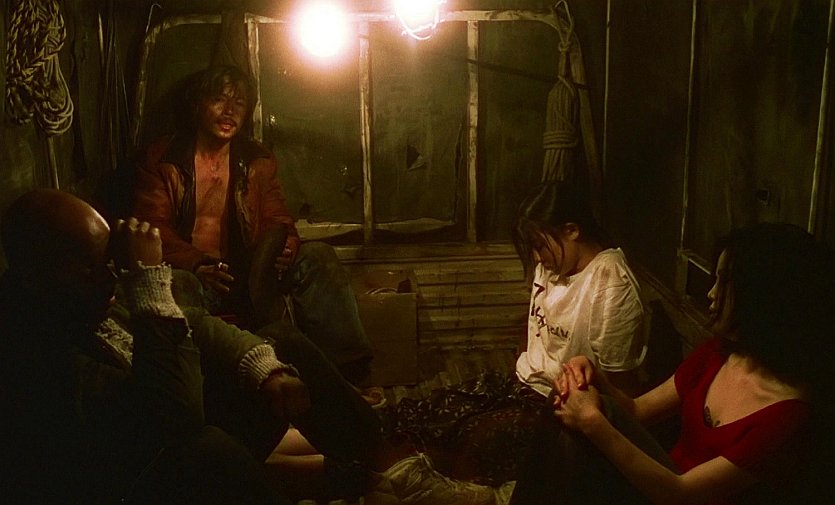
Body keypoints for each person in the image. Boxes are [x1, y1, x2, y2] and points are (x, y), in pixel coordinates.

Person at [0, 188, 505, 505]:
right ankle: (355, 480)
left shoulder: (80, 298)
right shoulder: (32, 354)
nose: (110, 276)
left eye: (110, 263)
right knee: (208, 450)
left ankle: (386, 472)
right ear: (38, 273)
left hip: (173, 429)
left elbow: (198, 325)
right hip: (139, 477)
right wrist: (151, 284)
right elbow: (172, 420)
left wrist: (265, 367)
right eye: (93, 267)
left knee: (281, 346)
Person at [274, 180, 648, 487]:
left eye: (540, 245)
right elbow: (536, 342)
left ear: (572, 230)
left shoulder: (610, 285)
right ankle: (276, 448)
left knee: (441, 449)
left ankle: (286, 469)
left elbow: (624, 398)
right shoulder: (553, 266)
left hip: (553, 409)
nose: (537, 257)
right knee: (410, 416)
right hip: (517, 384)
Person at [509, 222, 835, 504]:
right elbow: (636, 410)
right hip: (658, 478)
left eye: (725, 283)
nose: (711, 294)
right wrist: (593, 376)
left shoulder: (786, 415)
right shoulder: (717, 355)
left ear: (765, 297)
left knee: (579, 431)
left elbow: (681, 493)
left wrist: (592, 423)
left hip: (674, 493)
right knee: (568, 396)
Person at [132, 64, 374, 389]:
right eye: (219, 99)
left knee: (318, 257)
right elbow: (153, 226)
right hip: (195, 273)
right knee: (176, 285)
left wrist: (286, 247)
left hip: (248, 271)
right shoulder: (163, 159)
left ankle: (350, 377)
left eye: (239, 103)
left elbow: (277, 217)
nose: (229, 111)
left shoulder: (257, 160)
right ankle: (185, 391)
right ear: (198, 104)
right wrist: (196, 263)